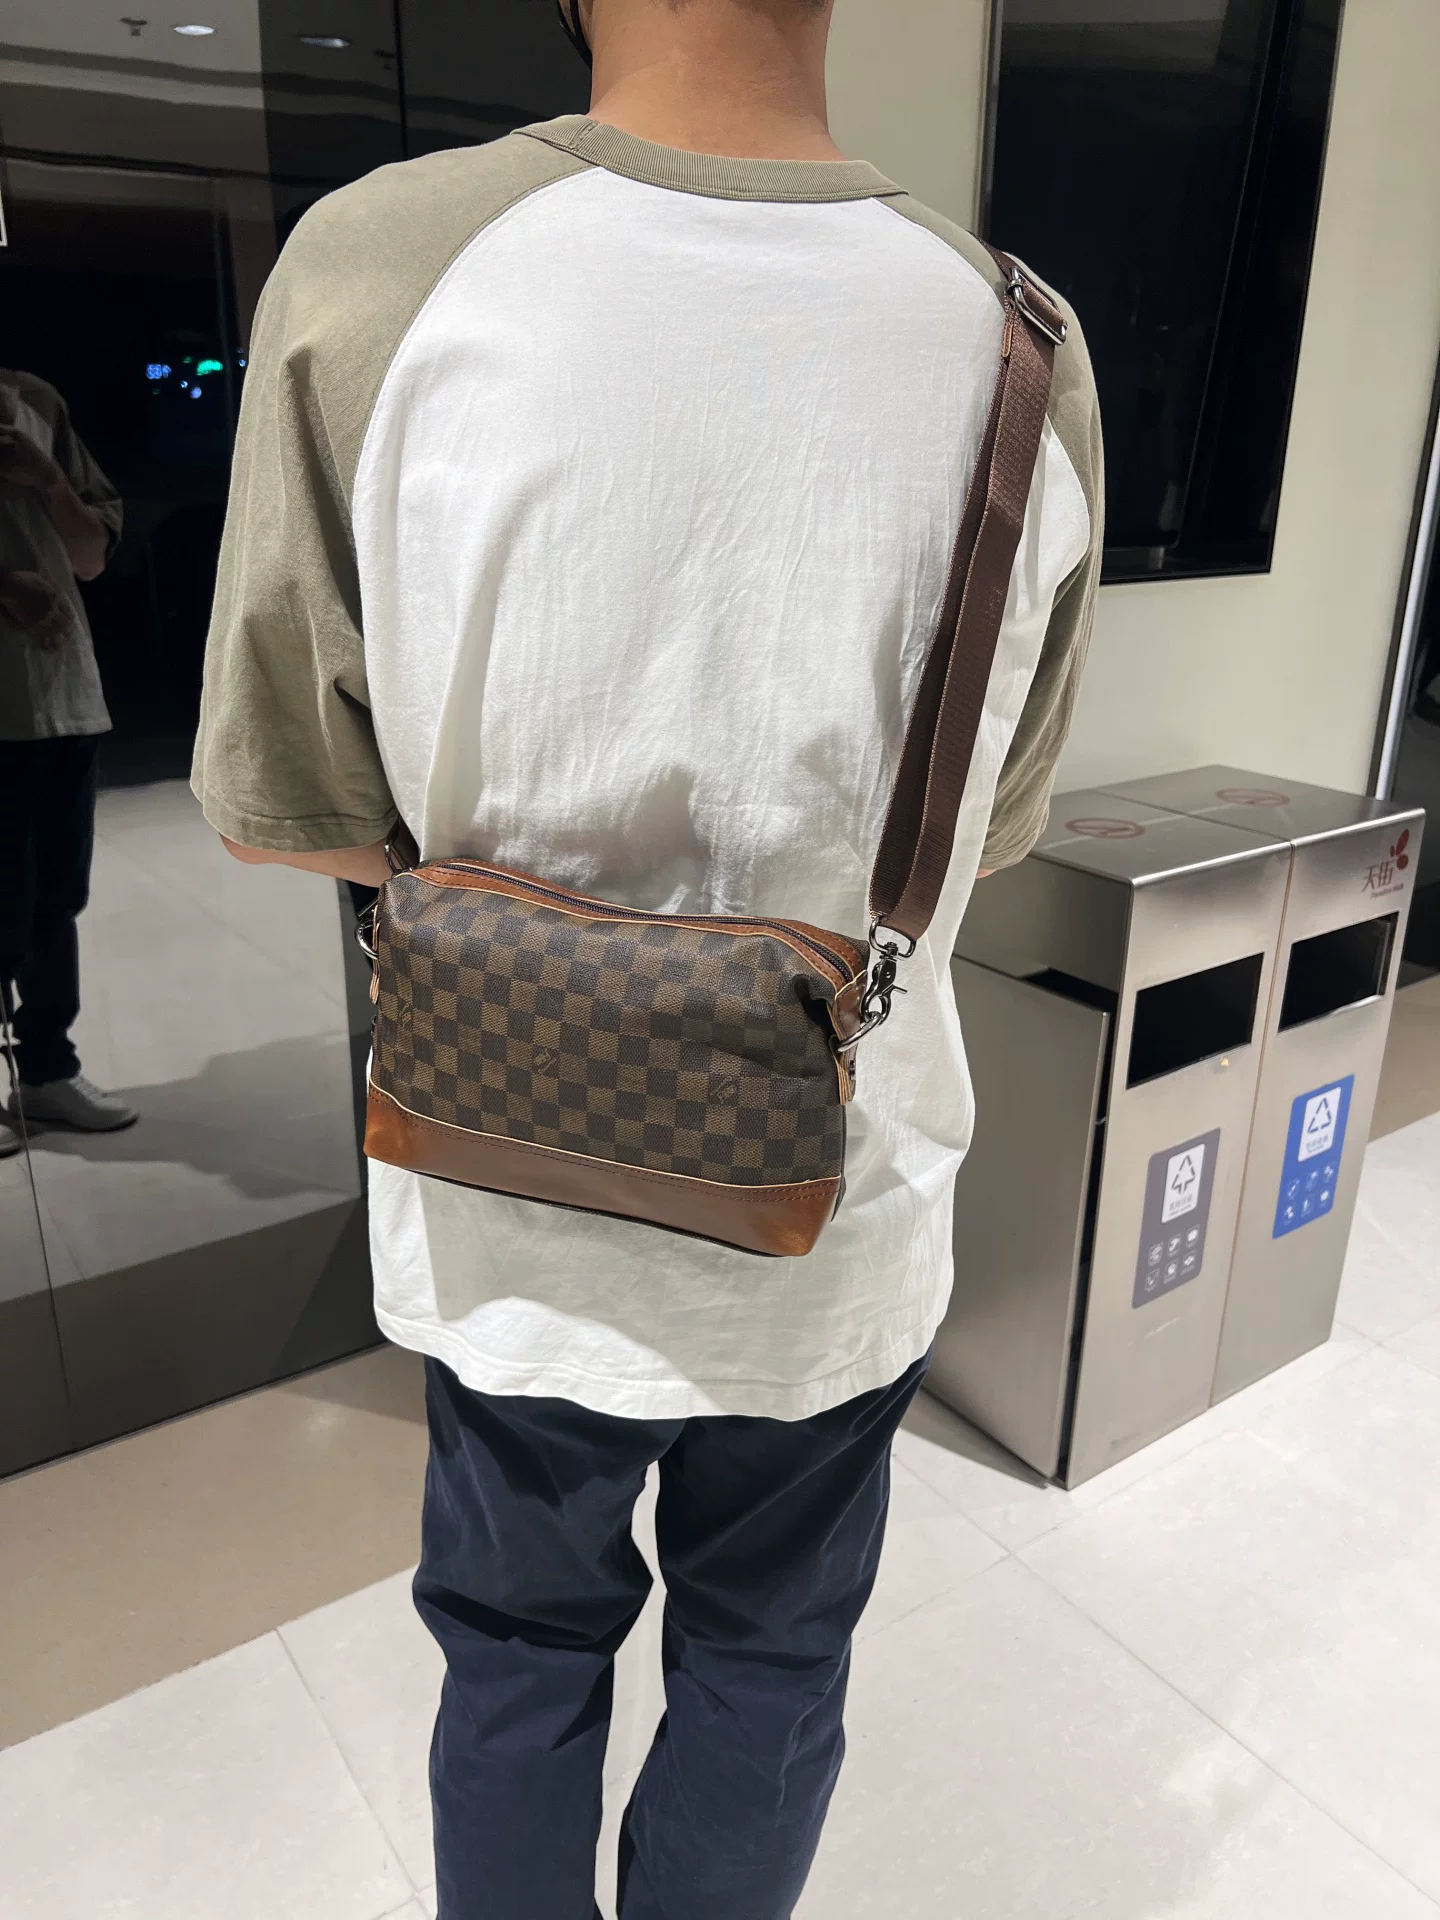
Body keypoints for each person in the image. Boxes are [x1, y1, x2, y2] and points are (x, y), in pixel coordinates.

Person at [192, 0, 1103, 1911]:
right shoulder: (1023, 342)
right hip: (836, 1209)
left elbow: (288, 808)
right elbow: (990, 834)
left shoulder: (377, 268)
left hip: (507, 1194)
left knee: (519, 1663)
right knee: (768, 1669)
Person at [0, 370, 136, 1160]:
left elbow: (89, 558)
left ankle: (48, 1068)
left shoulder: (39, 402)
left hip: (61, 693)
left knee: (55, 898)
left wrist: (45, 477)